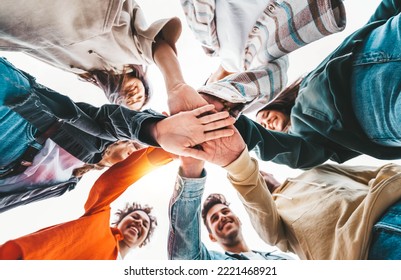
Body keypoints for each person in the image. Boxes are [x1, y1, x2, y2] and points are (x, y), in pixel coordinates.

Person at [0, 56, 235, 212]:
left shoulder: (67, 184)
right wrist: (157, 129)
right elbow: (113, 121)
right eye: (135, 147)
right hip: (14, 110)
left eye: (138, 155)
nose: (134, 153)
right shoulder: (99, 138)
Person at [186, 123, 401, 259]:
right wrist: (239, 164)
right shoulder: (276, 219)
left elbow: (373, 173)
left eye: (261, 173)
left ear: (270, 173)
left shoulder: (316, 170)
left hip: (392, 207)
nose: (259, 177)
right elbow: (260, 212)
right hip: (369, 246)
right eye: (215, 218)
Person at [0, 0, 202, 111]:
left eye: (128, 102)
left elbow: (41, 50)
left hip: (23, 19)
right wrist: (176, 86)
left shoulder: (85, 73)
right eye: (140, 96)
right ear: (144, 82)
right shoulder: (135, 53)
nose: (133, 97)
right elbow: (160, 46)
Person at [0, 147, 172, 259]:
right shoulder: (99, 220)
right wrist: (165, 152)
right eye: (135, 216)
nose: (138, 222)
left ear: (143, 242)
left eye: (144, 225)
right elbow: (114, 181)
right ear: (118, 222)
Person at [180, 0, 346, 114]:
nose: (209, 104)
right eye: (222, 107)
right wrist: (225, 100)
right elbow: (267, 85)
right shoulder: (260, 68)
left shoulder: (207, 41)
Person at [167, 156, 291, 260]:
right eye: (214, 218)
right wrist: (191, 172)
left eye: (225, 211)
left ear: (239, 220)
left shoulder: (280, 258)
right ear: (212, 237)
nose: (222, 217)